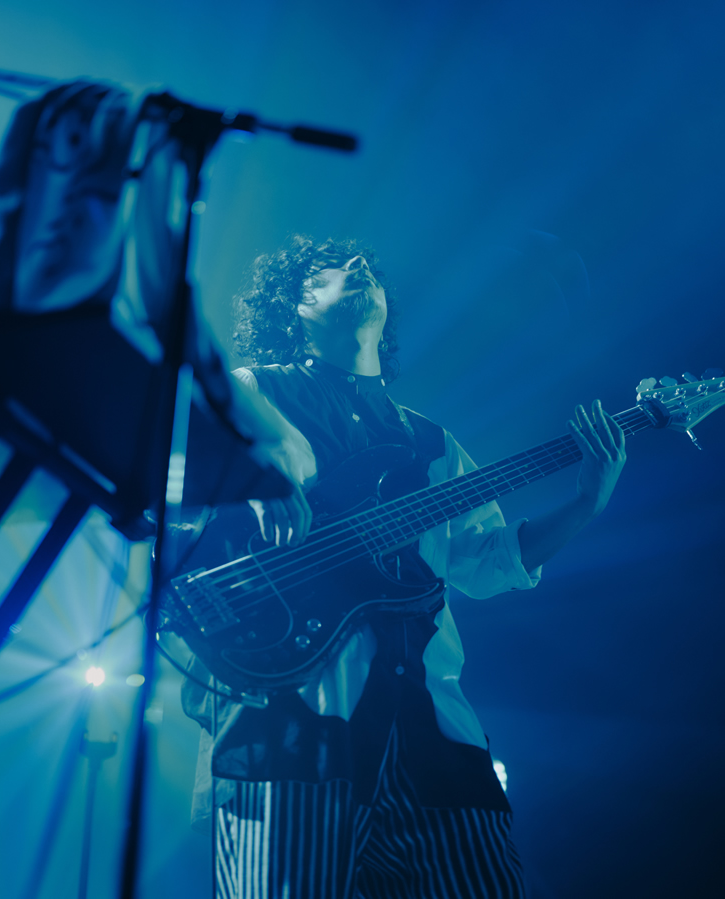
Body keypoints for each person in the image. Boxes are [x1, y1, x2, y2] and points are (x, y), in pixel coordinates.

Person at [181, 235, 626, 899]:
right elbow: (175, 495)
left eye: (365, 266)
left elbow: (489, 560)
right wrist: (253, 484)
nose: (359, 266)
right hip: (290, 724)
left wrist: (586, 503)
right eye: (333, 268)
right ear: (295, 304)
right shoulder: (252, 392)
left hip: (432, 737)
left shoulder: (432, 444)